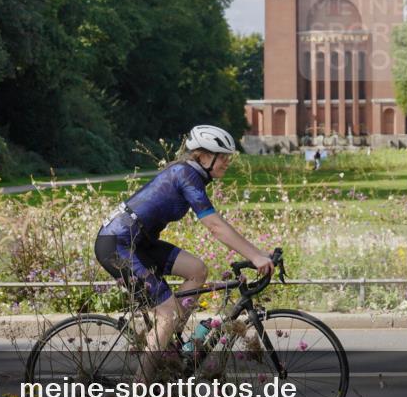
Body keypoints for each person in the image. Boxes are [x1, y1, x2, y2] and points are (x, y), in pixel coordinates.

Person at [94, 125, 273, 374]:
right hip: (116, 245)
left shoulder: (192, 175)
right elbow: (215, 226)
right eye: (222, 156)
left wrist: (258, 254)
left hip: (139, 243)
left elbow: (218, 224)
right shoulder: (185, 174)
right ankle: (138, 394)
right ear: (203, 156)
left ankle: (167, 346)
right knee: (167, 314)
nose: (227, 162)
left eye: (228, 157)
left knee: (197, 270)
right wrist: (255, 256)